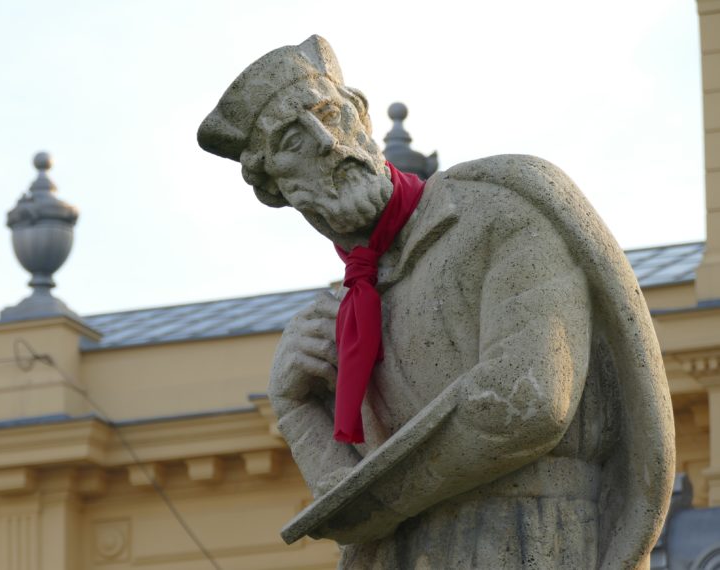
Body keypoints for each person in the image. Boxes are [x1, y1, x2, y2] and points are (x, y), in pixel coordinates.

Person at [198, 35, 673, 569]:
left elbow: (528, 403)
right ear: (277, 189)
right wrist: (295, 410)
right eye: (291, 140)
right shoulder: (349, 318)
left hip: (540, 542)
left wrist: (369, 509)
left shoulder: (497, 212)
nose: (327, 142)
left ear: (361, 115)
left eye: (330, 114)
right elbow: (356, 523)